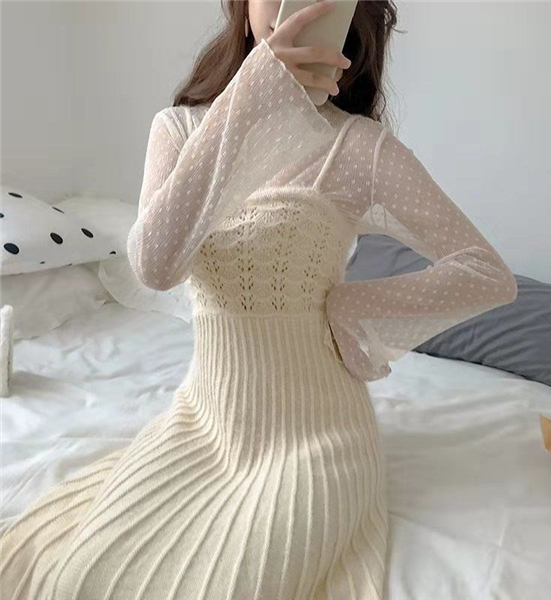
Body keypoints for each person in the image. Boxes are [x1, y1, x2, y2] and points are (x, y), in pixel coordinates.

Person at [0, 1, 518, 598]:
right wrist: (249, 101)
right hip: (205, 421)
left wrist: (353, 309)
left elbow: (486, 273)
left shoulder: (359, 148)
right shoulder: (180, 129)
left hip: (318, 433)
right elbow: (154, 267)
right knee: (82, 573)